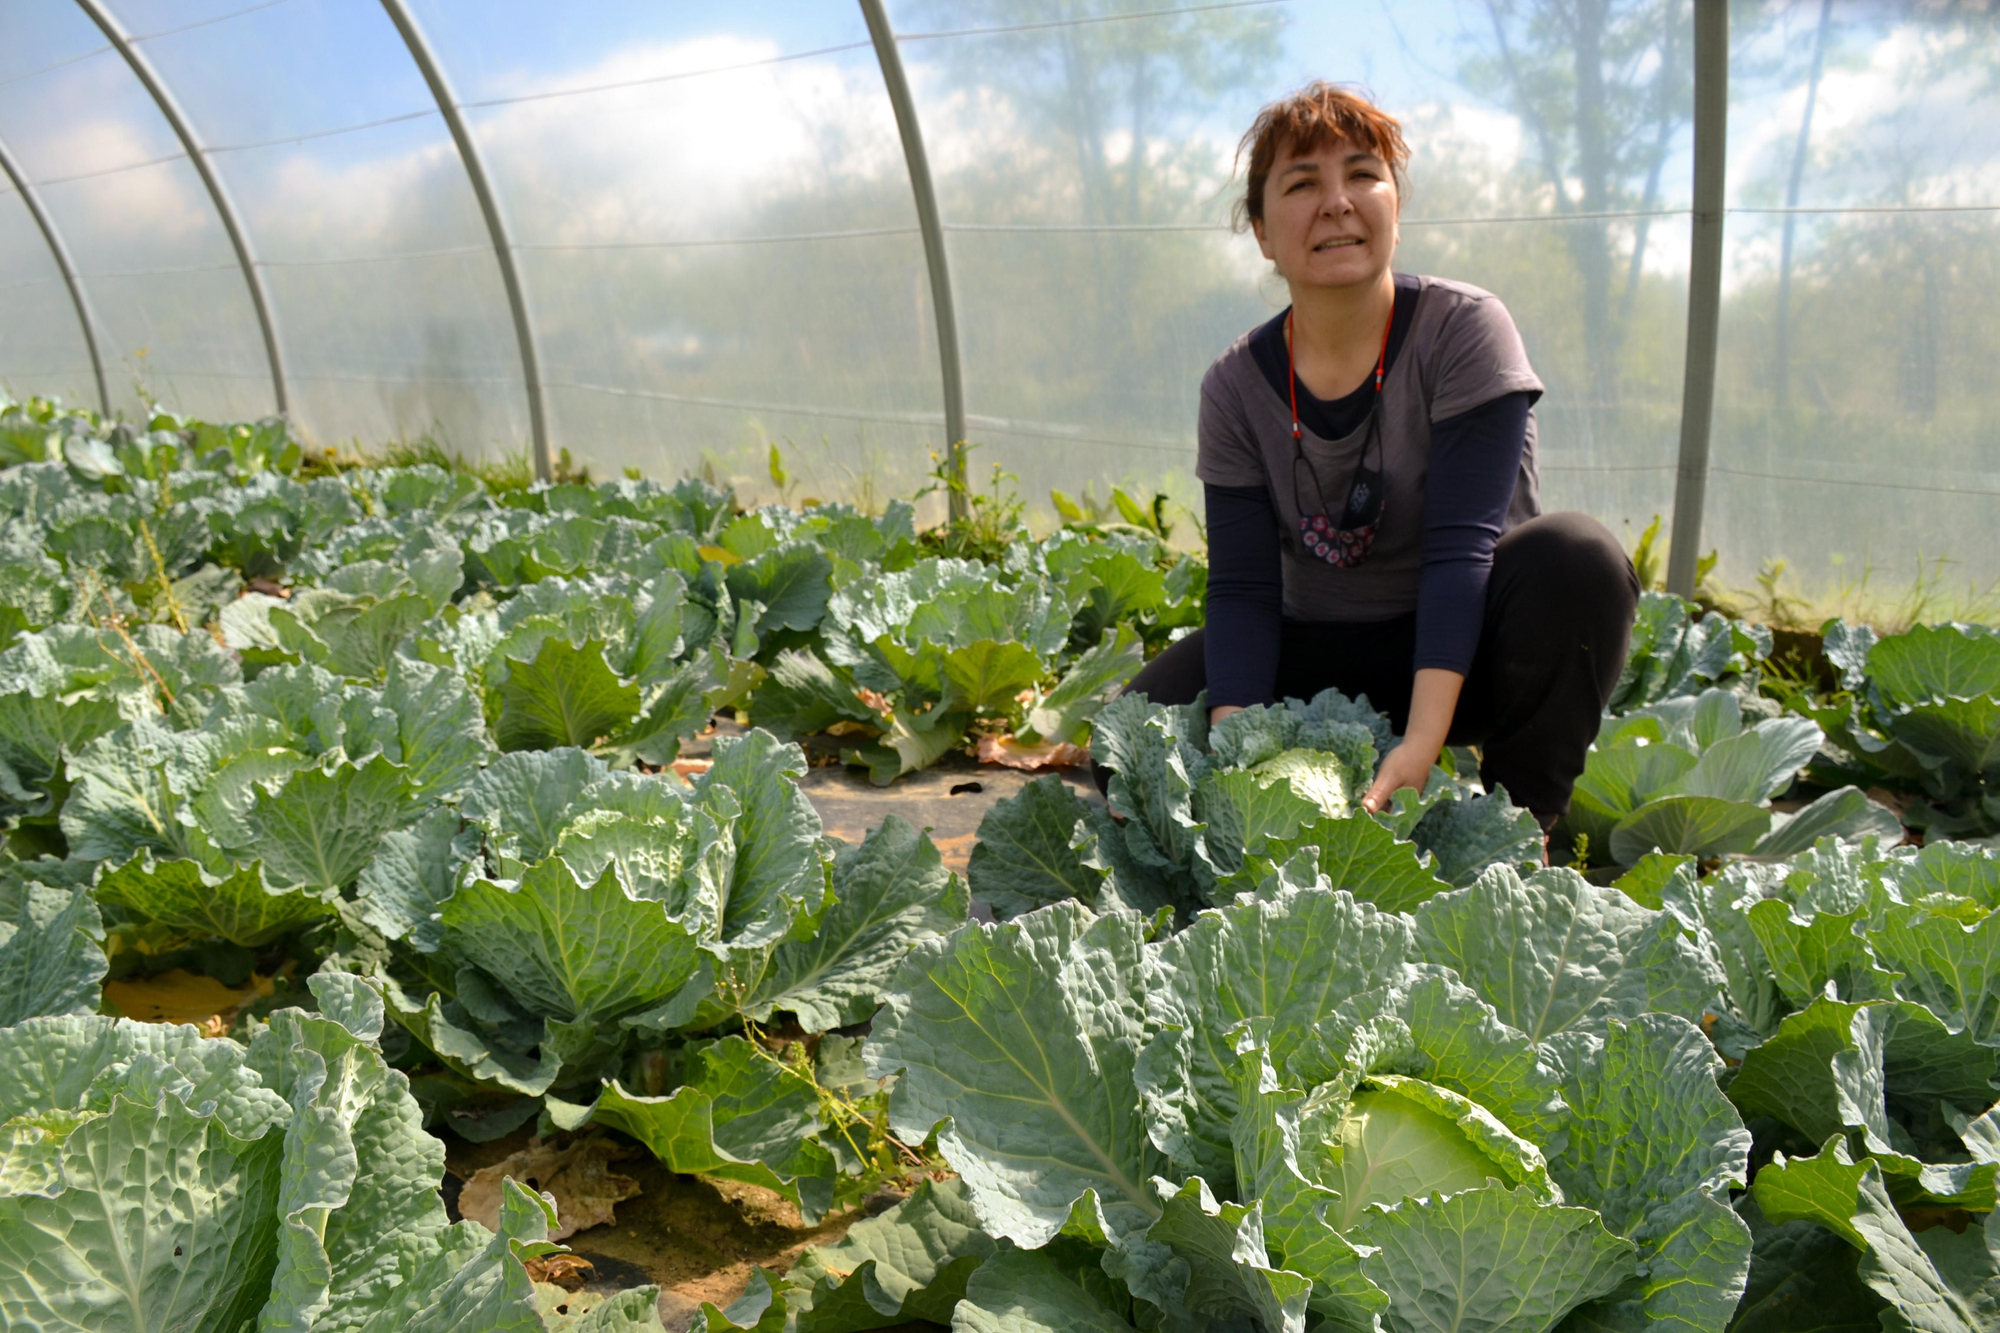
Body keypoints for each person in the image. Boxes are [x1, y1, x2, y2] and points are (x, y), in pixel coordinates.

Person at [1118, 82, 1639, 831]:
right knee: (1130, 745)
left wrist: (1424, 742)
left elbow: (1462, 553)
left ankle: (1523, 831)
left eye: (1363, 174)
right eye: (1302, 183)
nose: (1337, 202)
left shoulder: (1464, 331)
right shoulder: (1234, 387)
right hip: (1317, 651)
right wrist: (1241, 758)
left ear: (1396, 206)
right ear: (1262, 232)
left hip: (1465, 654)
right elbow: (1242, 591)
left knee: (1577, 557)